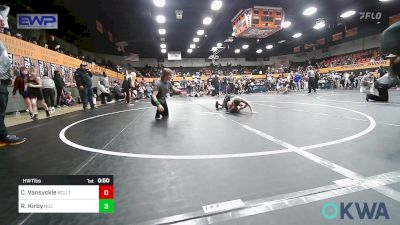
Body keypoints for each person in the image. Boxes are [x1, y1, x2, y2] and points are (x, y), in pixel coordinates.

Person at [366, 22, 400, 102]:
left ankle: (370, 96)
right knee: (383, 99)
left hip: (381, 83)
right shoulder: (394, 65)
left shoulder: (394, 66)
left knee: (383, 99)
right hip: (381, 85)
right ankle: (369, 96)